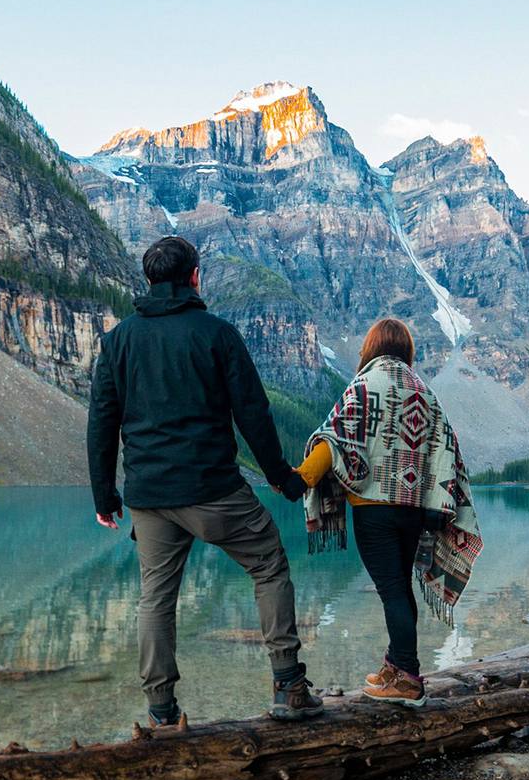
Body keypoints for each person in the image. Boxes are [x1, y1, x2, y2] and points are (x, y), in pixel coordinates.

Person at [88, 236, 324, 727]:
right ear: (195, 277)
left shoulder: (117, 341)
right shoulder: (217, 333)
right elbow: (253, 414)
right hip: (214, 489)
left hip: (150, 498)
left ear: (149, 281)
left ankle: (160, 712)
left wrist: (105, 496)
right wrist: (281, 477)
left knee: (155, 597)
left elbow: (102, 422)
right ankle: (288, 685)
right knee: (269, 566)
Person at [295, 318, 482, 708]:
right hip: (415, 511)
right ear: (406, 349)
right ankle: (395, 666)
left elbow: (336, 438)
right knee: (400, 585)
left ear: (371, 347)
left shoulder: (364, 386)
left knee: (391, 589)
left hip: (374, 510)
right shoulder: (423, 391)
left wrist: (303, 477)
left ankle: (408, 679)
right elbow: (448, 448)